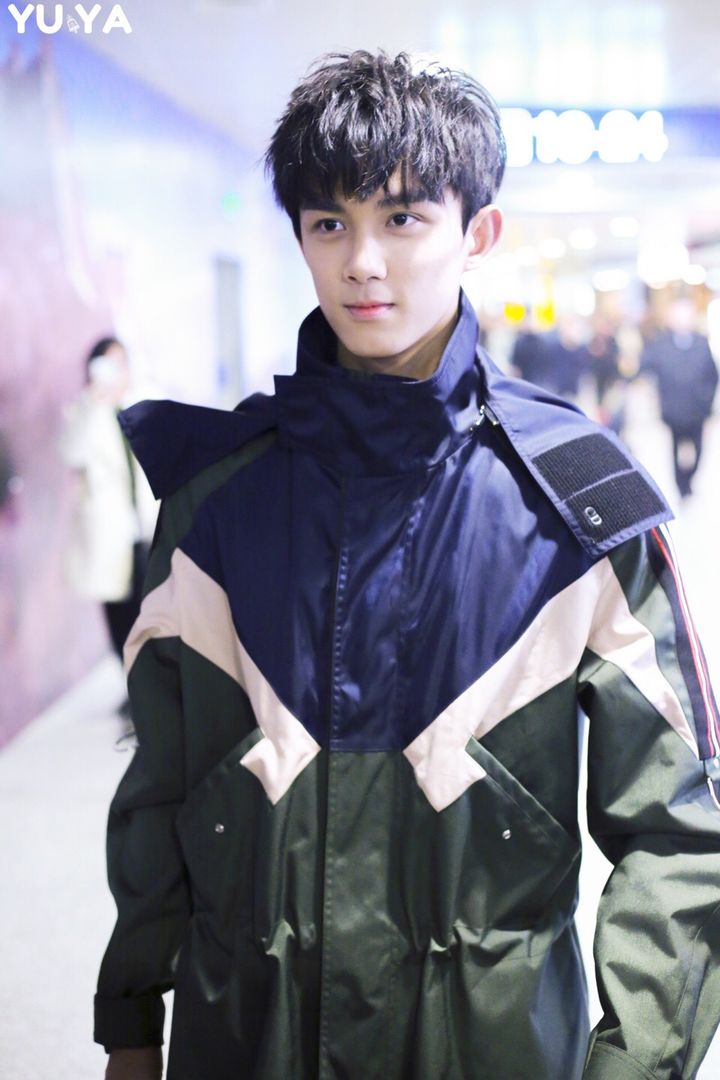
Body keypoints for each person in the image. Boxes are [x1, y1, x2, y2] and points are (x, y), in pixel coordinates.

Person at [94, 51, 720, 1080]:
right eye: (328, 223)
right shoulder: (215, 505)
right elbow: (160, 784)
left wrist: (636, 1064)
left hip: (493, 1046)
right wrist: (128, 1016)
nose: (362, 262)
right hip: (244, 1038)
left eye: (402, 218)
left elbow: (681, 830)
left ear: (478, 232)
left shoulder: (577, 509)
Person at [60, 337, 154, 703]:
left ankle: (153, 689)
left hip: (144, 528)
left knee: (152, 612)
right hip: (109, 535)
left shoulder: (139, 406)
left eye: (121, 364)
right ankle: (134, 689)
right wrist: (93, 403)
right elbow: (72, 453)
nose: (117, 373)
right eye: (108, 365)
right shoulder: (84, 413)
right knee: (119, 616)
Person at [640, 298, 718, 498]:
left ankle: (689, 479)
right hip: (673, 409)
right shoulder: (661, 344)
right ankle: (681, 485)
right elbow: (648, 367)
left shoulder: (701, 342)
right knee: (675, 449)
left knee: (698, 449)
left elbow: (712, 375)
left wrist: (706, 399)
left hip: (697, 408)